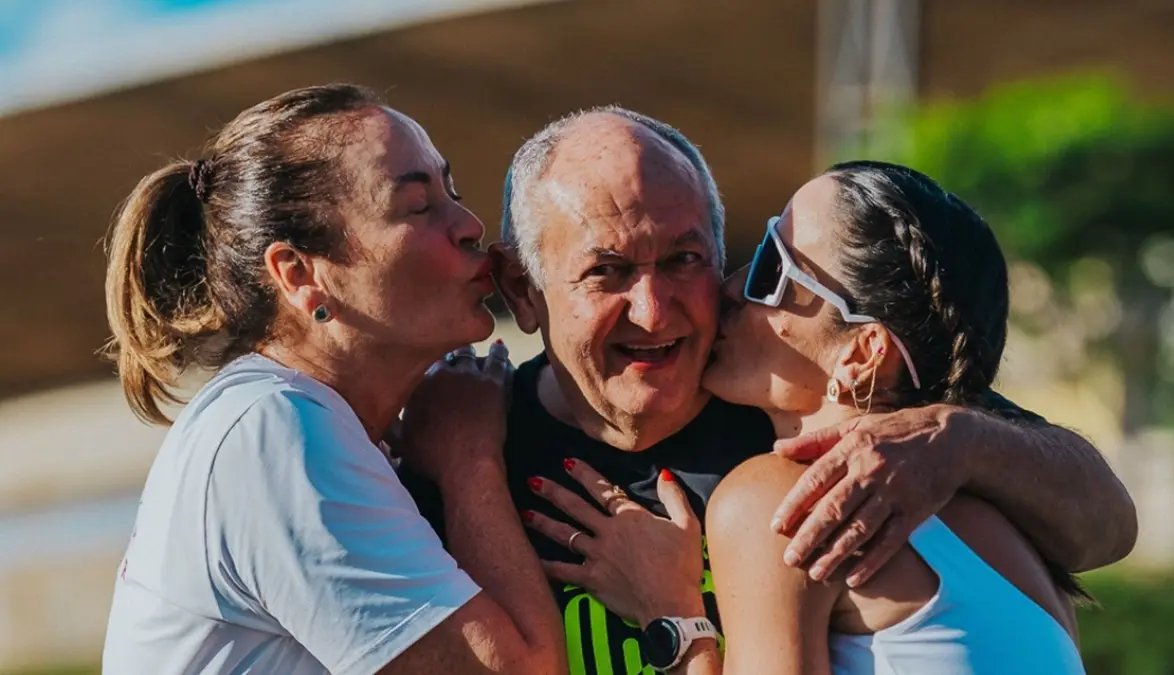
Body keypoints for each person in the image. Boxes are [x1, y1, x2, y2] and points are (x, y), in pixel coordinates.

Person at [401, 107, 1135, 674]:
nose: (658, 310)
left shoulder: (889, 454)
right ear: (523, 293)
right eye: (608, 271)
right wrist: (467, 465)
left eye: (690, 258)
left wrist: (963, 435)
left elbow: (1107, 523)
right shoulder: (455, 446)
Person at [527, 161, 1091, 673]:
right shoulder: (1010, 522)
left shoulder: (782, 501)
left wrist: (671, 616)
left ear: (862, 353)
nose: (728, 288)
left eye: (773, 269)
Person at [101, 84, 566, 674]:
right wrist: (468, 459)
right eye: (419, 207)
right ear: (299, 273)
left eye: (453, 192)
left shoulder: (304, 423)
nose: (470, 225)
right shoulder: (276, 432)